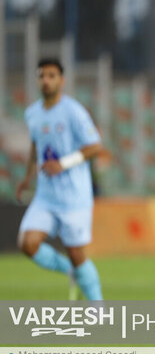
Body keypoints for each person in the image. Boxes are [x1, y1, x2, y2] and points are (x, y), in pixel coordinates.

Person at [15, 58, 104, 300]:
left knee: (77, 253)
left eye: (52, 76)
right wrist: (28, 176)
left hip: (74, 196)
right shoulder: (32, 113)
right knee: (28, 243)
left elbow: (95, 146)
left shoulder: (74, 111)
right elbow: (36, 144)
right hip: (46, 195)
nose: (46, 81)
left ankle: (99, 309)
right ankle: (69, 271)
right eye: (42, 76)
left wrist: (63, 164)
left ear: (61, 81)